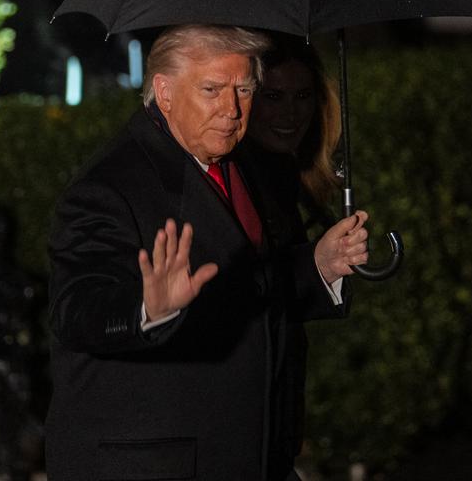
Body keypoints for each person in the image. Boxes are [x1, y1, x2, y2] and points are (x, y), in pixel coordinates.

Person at [45, 24, 369, 481]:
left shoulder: (241, 166)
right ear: (165, 92)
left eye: (244, 89)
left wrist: (319, 265)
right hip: (155, 464)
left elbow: (247, 284)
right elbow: (75, 308)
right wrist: (147, 307)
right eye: (213, 89)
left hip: (253, 454)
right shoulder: (109, 186)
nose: (232, 109)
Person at [247, 35, 342, 234]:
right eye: (273, 96)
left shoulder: (294, 173)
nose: (290, 113)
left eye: (302, 96)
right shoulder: (238, 181)